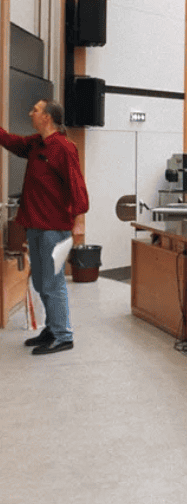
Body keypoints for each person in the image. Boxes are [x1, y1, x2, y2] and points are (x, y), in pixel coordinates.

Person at [0, 100, 89, 354]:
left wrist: (79, 221)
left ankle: (63, 335)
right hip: (36, 226)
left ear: (47, 118)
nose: (31, 113)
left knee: (53, 281)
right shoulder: (36, 144)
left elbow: (77, 187)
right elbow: (11, 142)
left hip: (55, 229)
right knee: (40, 281)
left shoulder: (64, 148)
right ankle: (52, 327)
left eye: (36, 110)